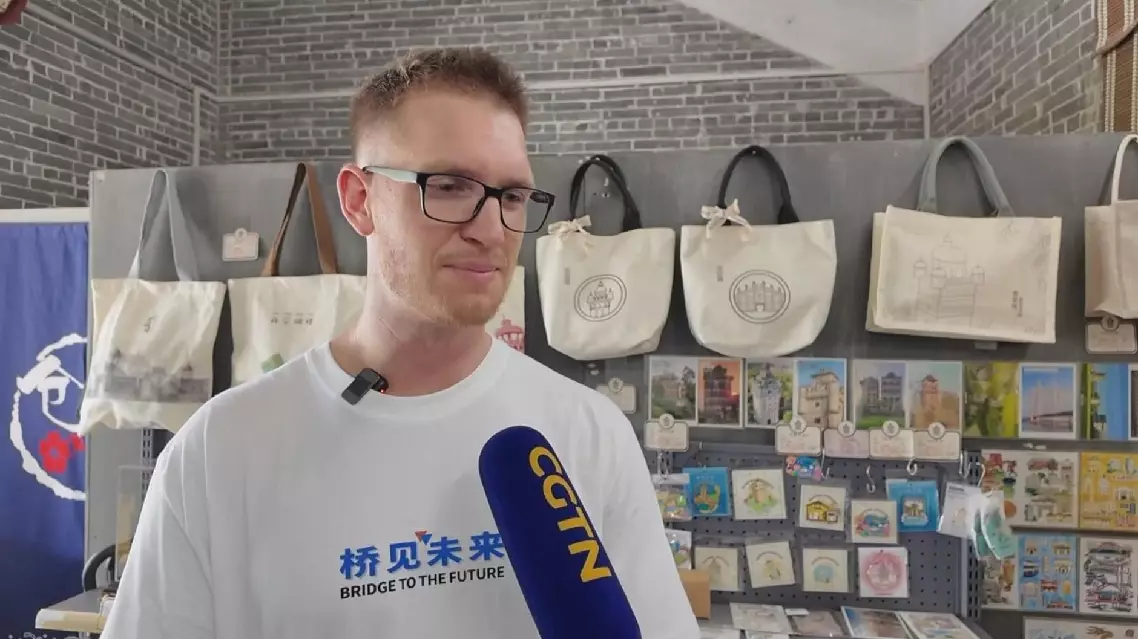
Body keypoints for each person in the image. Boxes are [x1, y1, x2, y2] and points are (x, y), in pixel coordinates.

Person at [102, 47, 700, 639]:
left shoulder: (589, 433)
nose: (490, 229)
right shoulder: (219, 452)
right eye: (449, 186)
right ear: (360, 201)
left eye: (513, 196)